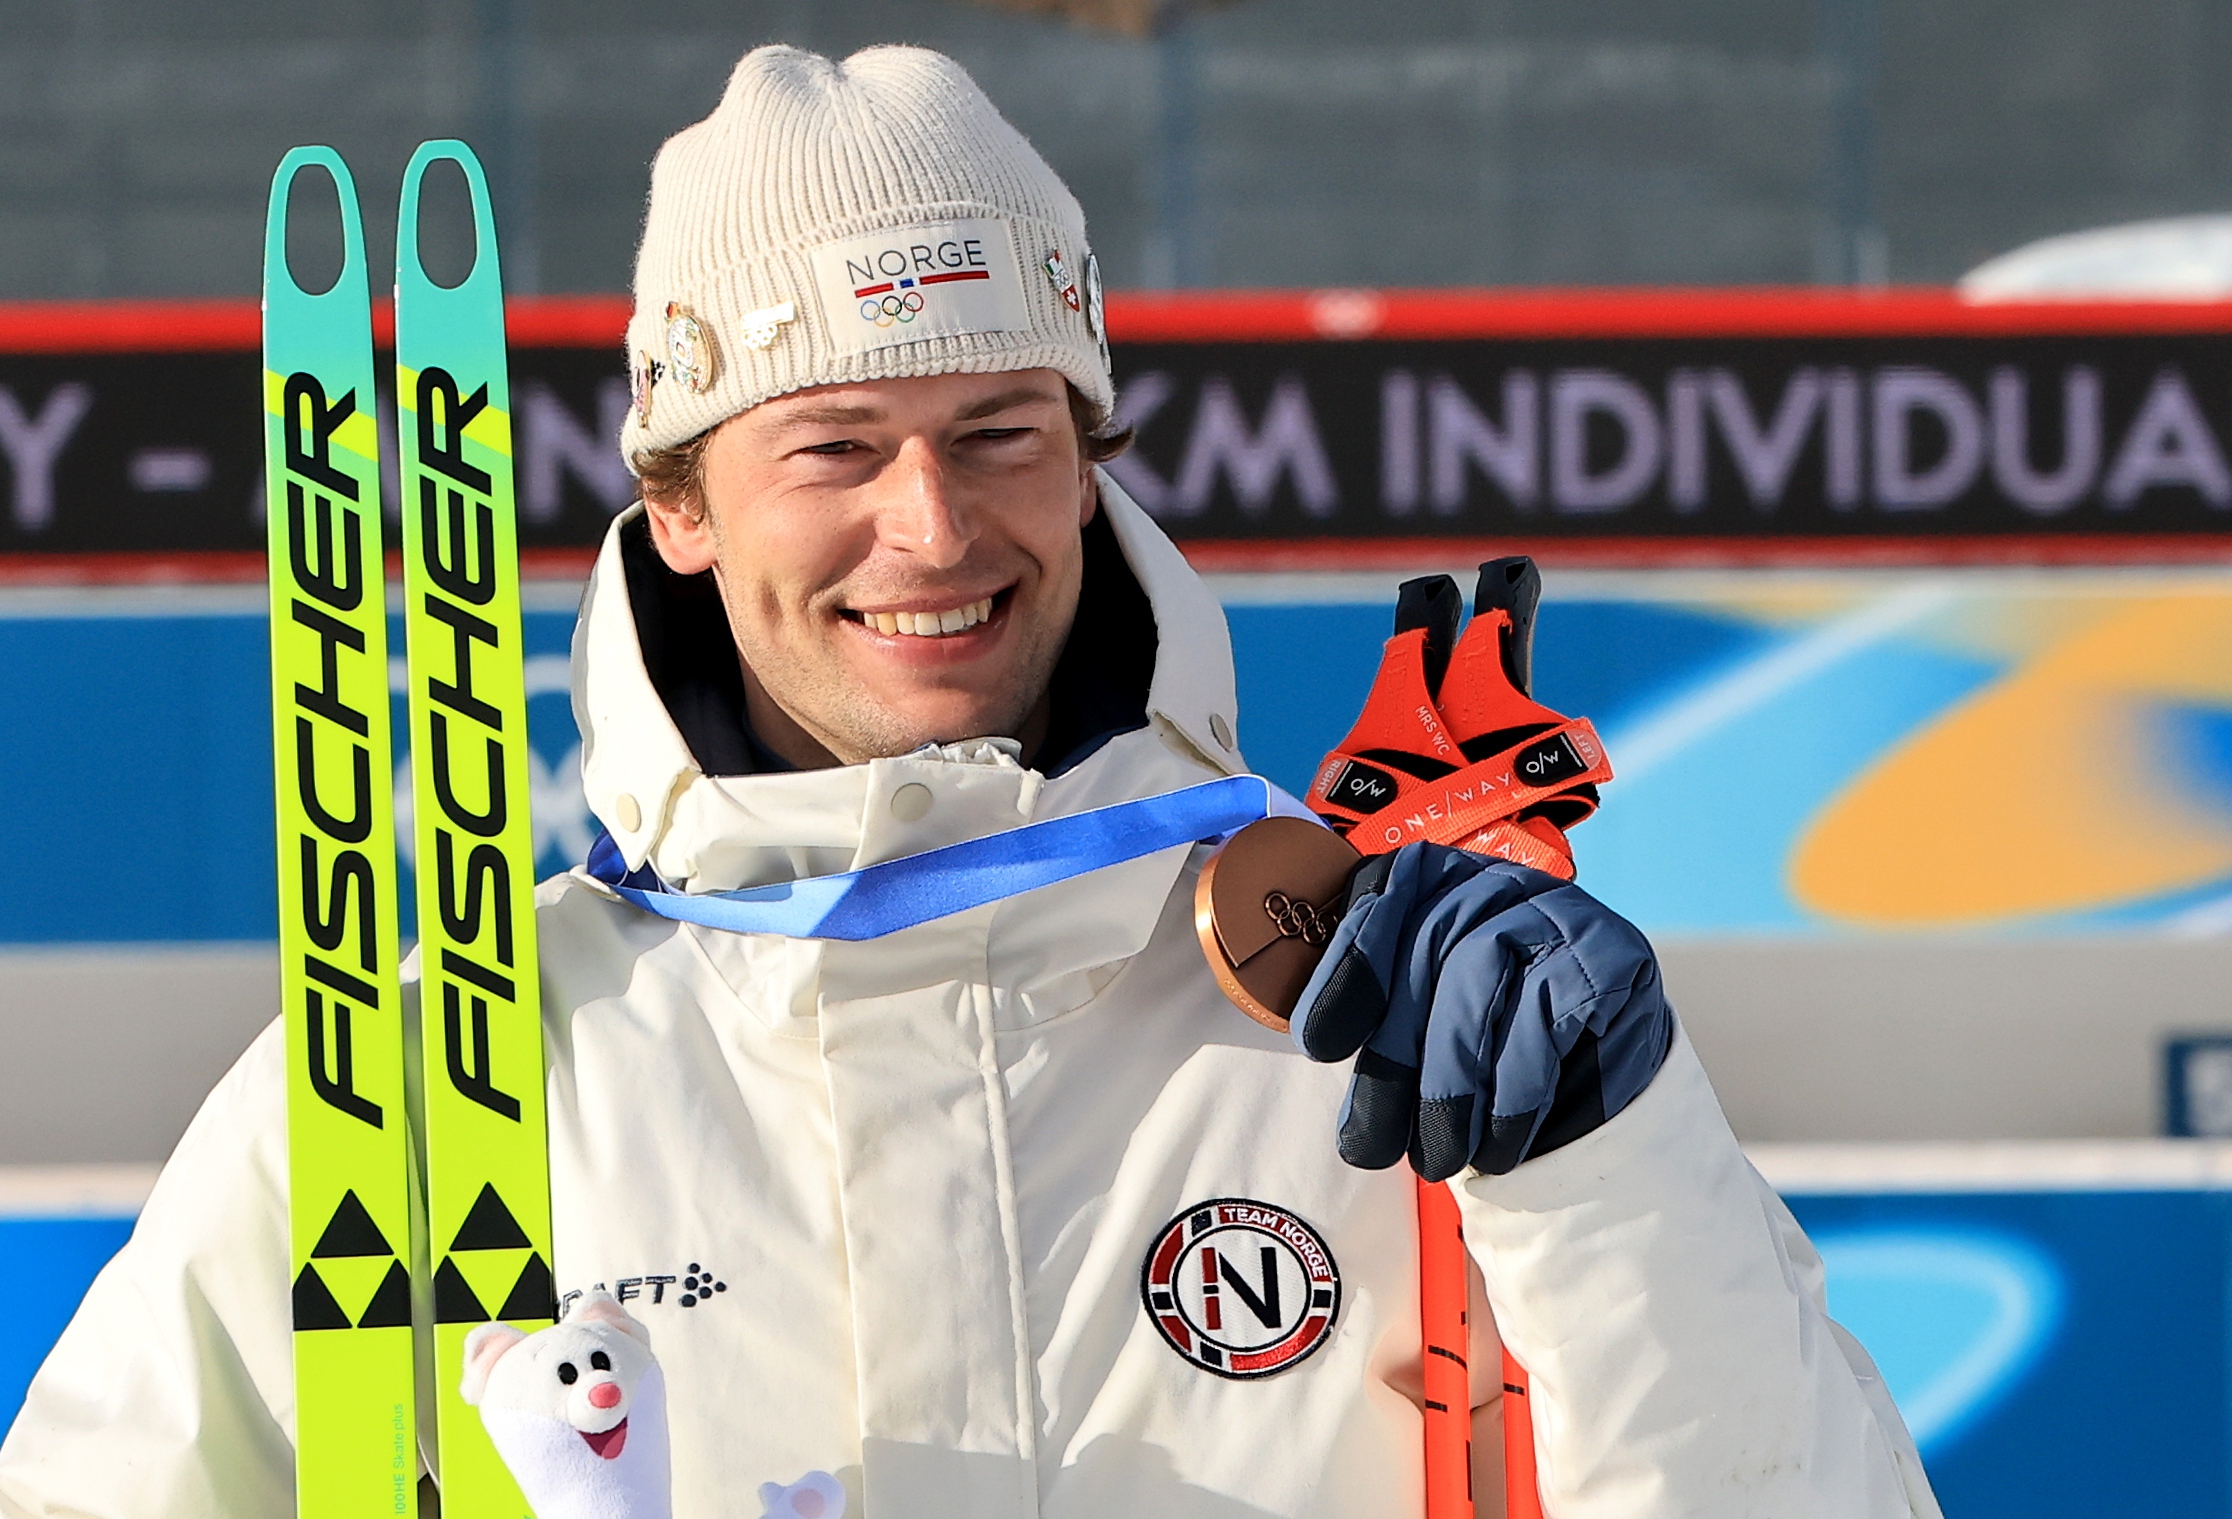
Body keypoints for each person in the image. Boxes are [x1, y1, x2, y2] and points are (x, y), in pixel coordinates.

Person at [0, 44, 1940, 1519]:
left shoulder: (1390, 999)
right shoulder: (441, 1079)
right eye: (832, 446)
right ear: (675, 509)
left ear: (1087, 454)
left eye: (1000, 427)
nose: (930, 525)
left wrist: (1616, 1156)